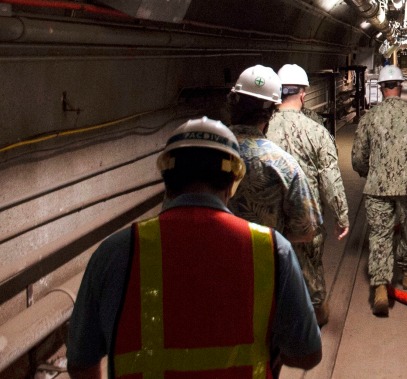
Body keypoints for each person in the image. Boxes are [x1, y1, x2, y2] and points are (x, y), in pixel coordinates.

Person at [66, 117, 321, 378]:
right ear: (233, 180)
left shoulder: (114, 252)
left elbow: (80, 361)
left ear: (167, 178)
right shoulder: (271, 249)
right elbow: (307, 353)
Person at [351, 64, 407, 316]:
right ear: (400, 86)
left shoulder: (369, 117)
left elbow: (358, 157)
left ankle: (380, 285)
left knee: (379, 236)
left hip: (377, 188)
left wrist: (367, 173)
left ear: (381, 88)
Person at [267, 63, 350, 326]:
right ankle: (316, 312)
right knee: (311, 265)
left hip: (267, 220)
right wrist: (341, 216)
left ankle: (275, 317)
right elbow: (330, 178)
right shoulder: (316, 132)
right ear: (303, 94)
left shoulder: (262, 129)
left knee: (271, 268)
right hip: (306, 218)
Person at [226, 64, 321, 247]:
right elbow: (307, 230)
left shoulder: (204, 153)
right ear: (271, 112)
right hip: (263, 266)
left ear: (233, 102)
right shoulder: (282, 164)